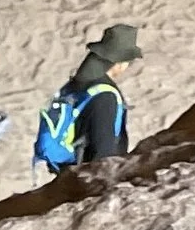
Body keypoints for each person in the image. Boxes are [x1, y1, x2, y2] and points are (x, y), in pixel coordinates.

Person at [57, 24, 141, 162]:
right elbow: (103, 152)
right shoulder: (105, 96)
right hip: (86, 173)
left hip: (70, 169)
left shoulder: (77, 83)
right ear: (120, 63)